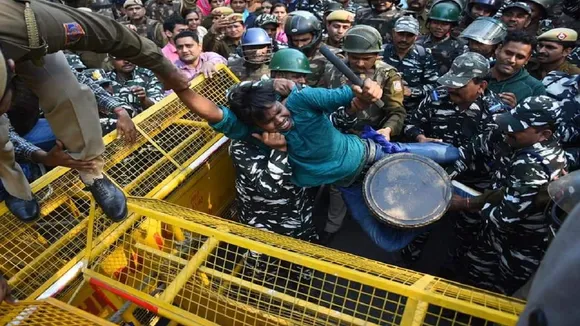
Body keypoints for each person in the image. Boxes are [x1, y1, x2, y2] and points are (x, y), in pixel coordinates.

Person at [0, 0, 190, 222]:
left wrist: (163, 68)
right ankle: (14, 186)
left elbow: (108, 34)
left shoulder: (33, 23)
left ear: (12, 69)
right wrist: (43, 157)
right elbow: (8, 135)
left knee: (68, 92)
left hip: (23, 43)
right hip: (21, 134)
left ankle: (92, 172)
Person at [450, 96, 566, 295]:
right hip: (500, 232)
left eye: (518, 128)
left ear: (544, 134)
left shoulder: (530, 164)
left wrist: (464, 204)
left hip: (520, 243)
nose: (508, 131)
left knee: (495, 293)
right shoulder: (527, 144)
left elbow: (504, 219)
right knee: (471, 269)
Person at [319, 25, 406, 243]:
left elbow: (396, 111)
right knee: (338, 185)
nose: (359, 63)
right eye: (354, 57)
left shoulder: (388, 75)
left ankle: (381, 228)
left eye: (366, 58)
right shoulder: (332, 69)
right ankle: (333, 226)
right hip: (338, 137)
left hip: (372, 140)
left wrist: (387, 129)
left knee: (376, 185)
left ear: (377, 55)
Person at [382, 16, 439, 115]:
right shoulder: (381, 53)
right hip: (382, 109)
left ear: (416, 36)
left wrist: (411, 91)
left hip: (413, 113)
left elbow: (435, 87)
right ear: (393, 32)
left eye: (409, 35)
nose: (404, 39)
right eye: (400, 34)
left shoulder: (423, 55)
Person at [488, 30, 546, 107]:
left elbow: (536, 118)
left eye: (520, 57)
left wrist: (515, 110)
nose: (512, 60)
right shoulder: (475, 73)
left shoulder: (535, 88)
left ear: (527, 59)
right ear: (498, 49)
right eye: (508, 53)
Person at [285, 11, 337, 87]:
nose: (300, 45)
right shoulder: (286, 56)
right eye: (295, 40)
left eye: (304, 40)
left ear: (315, 37)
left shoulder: (332, 56)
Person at [417, 0, 467, 75]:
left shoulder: (460, 47)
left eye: (444, 24)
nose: (439, 27)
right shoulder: (418, 42)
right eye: (435, 22)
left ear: (452, 26)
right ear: (429, 22)